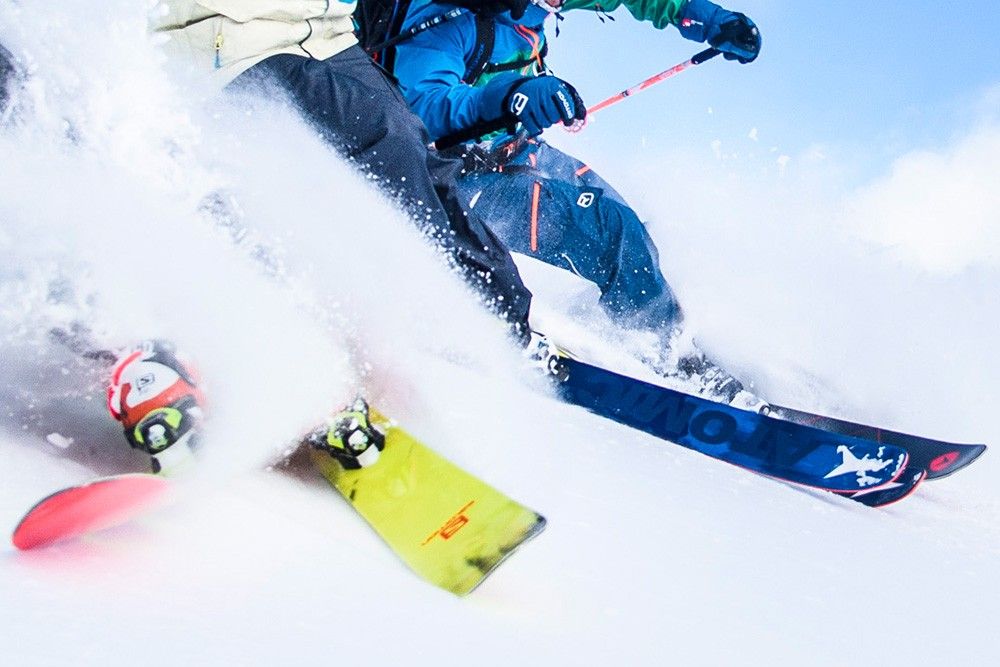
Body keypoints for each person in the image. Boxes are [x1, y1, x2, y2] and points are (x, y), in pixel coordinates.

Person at [151, 0, 535, 344]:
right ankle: (435, 314)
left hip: (325, 32)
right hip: (233, 34)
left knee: (416, 152)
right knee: (386, 139)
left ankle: (504, 311)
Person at [389, 0, 760, 343]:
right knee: (613, 230)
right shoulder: (454, 15)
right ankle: (665, 354)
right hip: (460, 179)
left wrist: (712, 21)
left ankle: (643, 328)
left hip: (520, 151)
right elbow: (419, 105)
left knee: (631, 230)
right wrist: (513, 94)